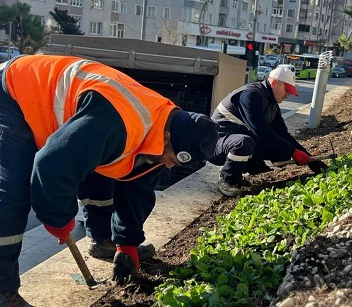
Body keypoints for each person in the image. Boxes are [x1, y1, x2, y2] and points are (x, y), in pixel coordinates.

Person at [0, 55, 219, 305]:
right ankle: (3, 291)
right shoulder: (119, 123)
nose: (169, 165)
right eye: (172, 159)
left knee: (105, 164)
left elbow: (137, 186)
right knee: (12, 195)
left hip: (82, 115)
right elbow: (51, 166)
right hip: (16, 91)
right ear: (168, 138)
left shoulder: (162, 133)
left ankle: (103, 240)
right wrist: (58, 219)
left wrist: (127, 244)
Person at [210, 66, 327, 197]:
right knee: (244, 143)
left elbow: (283, 134)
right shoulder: (251, 95)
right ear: (274, 82)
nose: (288, 95)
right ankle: (227, 178)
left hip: (234, 140)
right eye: (287, 90)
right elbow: (261, 132)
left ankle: (237, 171)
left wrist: (311, 160)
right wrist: (293, 152)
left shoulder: (272, 103)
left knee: (281, 152)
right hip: (216, 144)